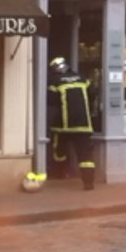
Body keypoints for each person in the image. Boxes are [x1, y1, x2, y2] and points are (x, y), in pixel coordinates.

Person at [47, 56, 96, 190]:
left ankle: (61, 174)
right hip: (83, 125)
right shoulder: (82, 78)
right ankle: (88, 183)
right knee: (85, 155)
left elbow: (51, 103)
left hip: (63, 125)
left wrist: (49, 123)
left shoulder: (55, 81)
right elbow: (93, 94)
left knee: (59, 151)